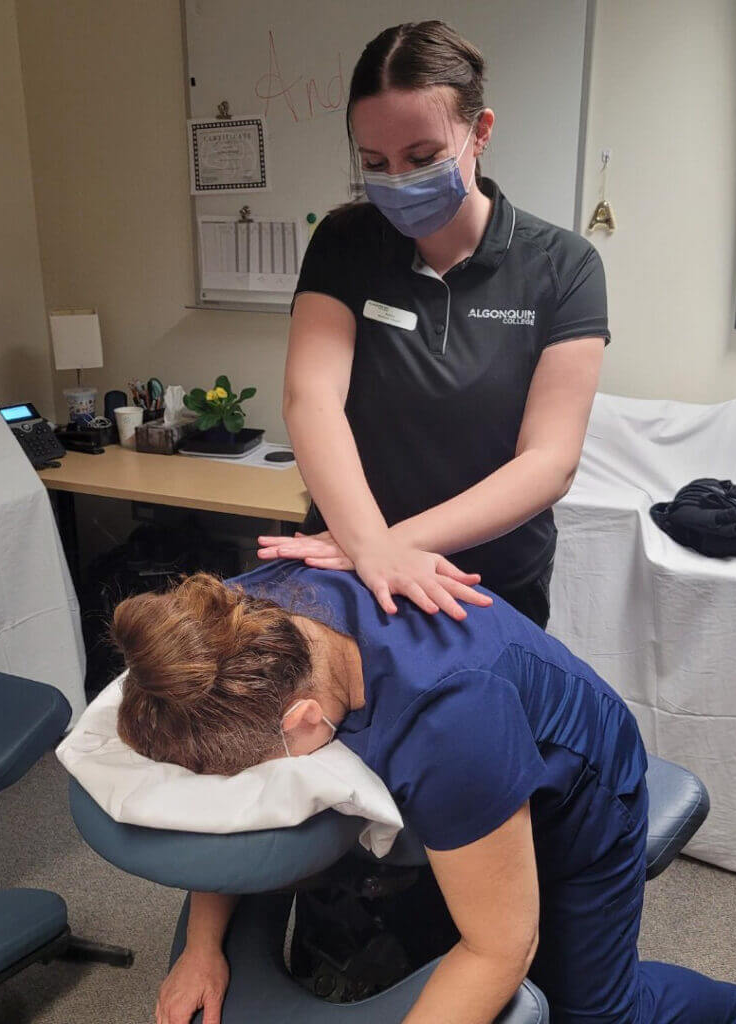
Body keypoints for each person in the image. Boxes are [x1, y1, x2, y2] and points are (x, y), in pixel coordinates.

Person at [111, 563, 736, 1024]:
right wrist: (204, 945)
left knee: (595, 1012)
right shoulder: (225, 627)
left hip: (579, 792)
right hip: (458, 777)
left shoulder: (448, 719)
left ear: (305, 723)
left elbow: (501, 948)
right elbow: (224, 804)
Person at [256, 20, 609, 630]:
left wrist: (386, 547)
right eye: (374, 161)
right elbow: (310, 398)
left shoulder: (563, 266)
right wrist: (371, 552)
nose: (396, 180)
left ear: (481, 132)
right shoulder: (345, 244)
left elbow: (549, 462)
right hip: (349, 575)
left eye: (421, 157)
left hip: (483, 584)